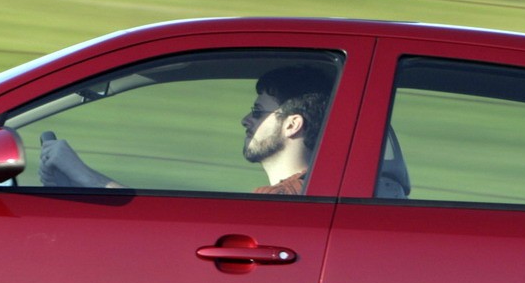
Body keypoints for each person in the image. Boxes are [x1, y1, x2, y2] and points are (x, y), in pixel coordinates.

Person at [36, 63, 333, 194]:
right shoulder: (298, 192)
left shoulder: (285, 200)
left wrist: (84, 175)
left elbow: (172, 234)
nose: (246, 120)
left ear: (293, 124)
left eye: (257, 112)